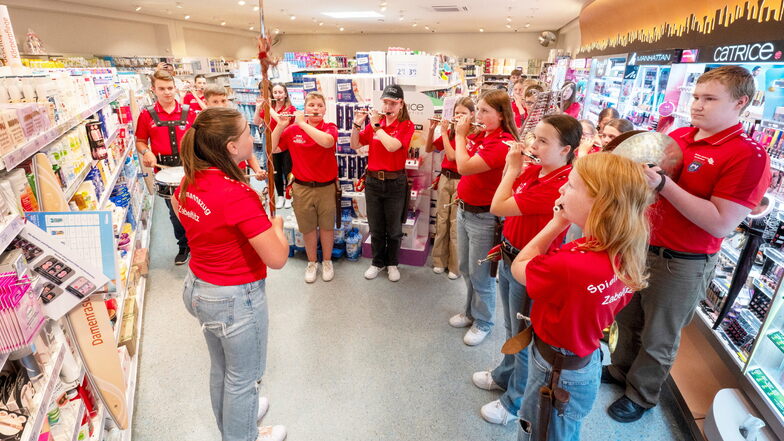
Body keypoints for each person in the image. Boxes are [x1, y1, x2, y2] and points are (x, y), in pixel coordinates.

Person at [605, 65, 772, 423]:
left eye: (710, 99)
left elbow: (721, 221)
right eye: (696, 97)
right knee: (626, 316)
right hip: (640, 246)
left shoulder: (749, 155)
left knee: (658, 336)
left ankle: (641, 395)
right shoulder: (680, 135)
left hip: (683, 261)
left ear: (741, 103)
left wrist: (663, 185)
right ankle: (620, 371)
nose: (697, 105)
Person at [510, 152, 652, 440]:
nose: (562, 189)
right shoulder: (624, 251)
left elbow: (518, 267)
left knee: (540, 429)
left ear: (601, 203)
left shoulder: (572, 262)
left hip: (555, 368)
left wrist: (555, 224)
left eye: (571, 185)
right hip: (583, 360)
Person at [173, 107, 290, 441]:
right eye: (246, 132)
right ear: (231, 147)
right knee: (244, 378)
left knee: (223, 368)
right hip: (234, 298)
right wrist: (276, 226)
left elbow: (181, 211)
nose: (252, 136)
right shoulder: (236, 194)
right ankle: (243, 435)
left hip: (199, 287)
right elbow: (277, 257)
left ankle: (235, 423)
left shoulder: (191, 177)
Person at [474, 115, 578, 426]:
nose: (533, 145)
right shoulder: (538, 171)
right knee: (511, 329)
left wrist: (512, 169)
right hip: (508, 256)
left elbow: (498, 205)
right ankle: (505, 375)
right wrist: (518, 169)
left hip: (529, 266)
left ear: (566, 150)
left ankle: (514, 402)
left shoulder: (559, 185)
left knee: (522, 338)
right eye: (534, 137)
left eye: (544, 141)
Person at [448, 89, 518, 346]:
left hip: (485, 218)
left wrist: (459, 134)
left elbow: (463, 166)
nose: (478, 115)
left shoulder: (502, 143)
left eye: (485, 111)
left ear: (501, 115)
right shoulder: (484, 135)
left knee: (482, 274)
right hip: (465, 210)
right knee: (466, 268)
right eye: (477, 109)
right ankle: (470, 312)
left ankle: (485, 321)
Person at [272, 92, 339, 283]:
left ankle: (327, 261)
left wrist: (301, 124)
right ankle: (312, 262)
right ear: (305, 108)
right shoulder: (292, 131)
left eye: (319, 105)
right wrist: (281, 125)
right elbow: (273, 148)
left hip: (326, 187)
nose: (315, 109)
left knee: (327, 227)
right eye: (311, 105)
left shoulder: (330, 127)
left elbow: (327, 142)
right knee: (308, 228)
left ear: (325, 109)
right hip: (301, 188)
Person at [350, 84, 415, 282]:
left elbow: (393, 146)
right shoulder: (375, 125)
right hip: (373, 181)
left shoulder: (406, 126)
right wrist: (356, 124)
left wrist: (377, 126)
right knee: (376, 226)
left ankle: (392, 263)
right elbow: (355, 144)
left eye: (392, 103)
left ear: (401, 104)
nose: (388, 107)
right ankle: (377, 262)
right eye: (385, 102)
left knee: (394, 229)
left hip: (395, 182)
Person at [135, 69, 197, 265]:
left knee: (197, 206)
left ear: (175, 88)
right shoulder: (146, 115)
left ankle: (201, 244)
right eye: (162, 89)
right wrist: (147, 152)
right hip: (164, 171)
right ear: (154, 90)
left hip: (190, 167)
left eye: (170, 88)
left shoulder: (189, 112)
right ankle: (183, 245)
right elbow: (140, 141)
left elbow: (200, 139)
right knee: (175, 210)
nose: (167, 92)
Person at [424, 97, 476, 280]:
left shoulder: (471, 135)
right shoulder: (453, 133)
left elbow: (453, 156)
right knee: (441, 219)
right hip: (445, 178)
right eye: (456, 113)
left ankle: (455, 265)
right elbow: (429, 148)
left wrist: (444, 133)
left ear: (472, 115)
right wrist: (432, 130)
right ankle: (439, 261)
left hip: (463, 181)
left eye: (463, 113)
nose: (459, 117)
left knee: (455, 224)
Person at [204, 84, 265, 180]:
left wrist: (258, 170)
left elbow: (247, 149)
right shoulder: (202, 126)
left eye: (223, 101)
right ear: (206, 103)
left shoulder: (237, 121)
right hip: (215, 175)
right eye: (215, 102)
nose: (220, 105)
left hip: (239, 171)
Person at [254, 82, 296, 210]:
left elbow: (281, 121)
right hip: (272, 144)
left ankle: (289, 197)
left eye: (280, 92)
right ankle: (280, 196)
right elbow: (257, 121)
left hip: (286, 145)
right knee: (275, 172)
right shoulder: (269, 107)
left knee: (288, 171)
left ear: (285, 94)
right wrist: (258, 107)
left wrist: (268, 108)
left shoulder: (290, 109)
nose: (277, 95)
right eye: (275, 92)